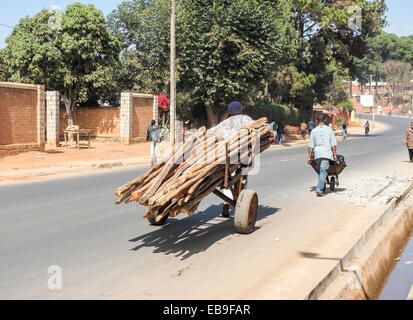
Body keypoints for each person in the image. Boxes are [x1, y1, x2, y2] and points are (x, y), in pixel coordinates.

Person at [213, 101, 254, 216]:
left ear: (229, 112)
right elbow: (256, 128)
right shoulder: (246, 119)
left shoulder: (223, 123)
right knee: (242, 177)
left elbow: (213, 134)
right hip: (241, 156)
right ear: (240, 110)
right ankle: (238, 202)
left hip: (224, 157)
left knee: (228, 178)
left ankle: (226, 202)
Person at [308, 114, 338, 197]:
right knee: (322, 171)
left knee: (321, 171)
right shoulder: (329, 130)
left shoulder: (313, 131)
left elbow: (311, 146)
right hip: (326, 153)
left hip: (317, 154)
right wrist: (335, 155)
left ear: (316, 121)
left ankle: (322, 187)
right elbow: (333, 144)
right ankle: (319, 189)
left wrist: (309, 157)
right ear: (324, 121)